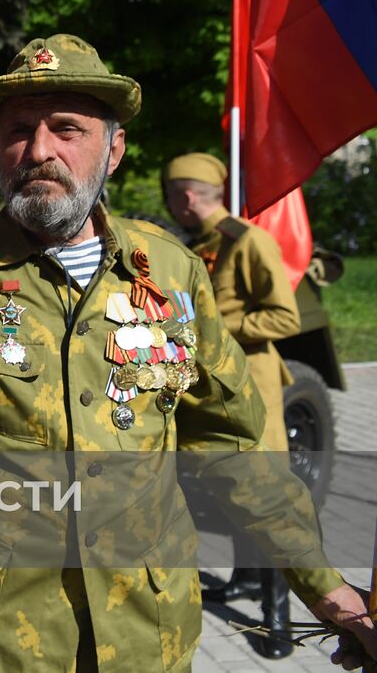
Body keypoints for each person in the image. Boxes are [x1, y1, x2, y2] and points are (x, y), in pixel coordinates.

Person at [0, 35, 375, 673]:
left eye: (67, 128)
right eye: (18, 130)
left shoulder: (169, 270)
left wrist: (325, 587)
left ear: (113, 150)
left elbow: (232, 444)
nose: (39, 150)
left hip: (149, 632)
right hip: (4, 639)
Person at [163, 151, 303, 642]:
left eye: (172, 197)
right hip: (214, 388)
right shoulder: (197, 244)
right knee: (232, 491)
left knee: (265, 498)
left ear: (185, 197)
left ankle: (278, 613)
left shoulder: (249, 242)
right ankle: (246, 579)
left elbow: (286, 317)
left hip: (255, 388)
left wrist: (218, 329)